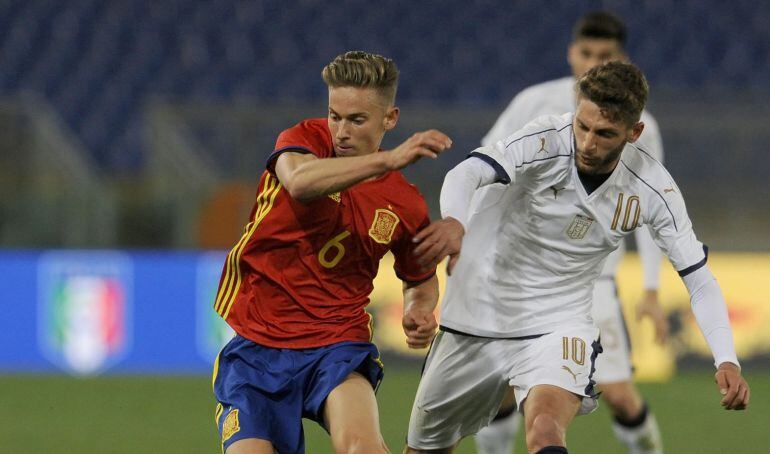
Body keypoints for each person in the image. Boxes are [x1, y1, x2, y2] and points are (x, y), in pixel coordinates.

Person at [405, 61, 749, 454]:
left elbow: (699, 279)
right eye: (582, 126)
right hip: (476, 313)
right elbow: (467, 173)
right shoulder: (544, 140)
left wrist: (727, 359)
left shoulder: (653, 189)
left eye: (605, 134)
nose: (587, 143)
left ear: (634, 133)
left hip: (558, 322)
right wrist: (455, 222)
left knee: (546, 429)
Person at [210, 50, 452, 454]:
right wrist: (387, 160)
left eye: (357, 120)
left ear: (390, 119)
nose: (341, 131)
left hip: (337, 345)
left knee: (362, 448)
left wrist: (420, 309)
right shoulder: (302, 142)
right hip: (257, 347)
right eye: (334, 115)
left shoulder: (404, 203)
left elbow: (420, 277)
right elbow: (301, 183)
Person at [476, 11, 668, 454]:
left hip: (593, 282)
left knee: (619, 394)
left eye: (604, 55)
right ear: (571, 53)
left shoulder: (643, 128)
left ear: (620, 58)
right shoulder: (533, 102)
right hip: (521, 277)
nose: (593, 63)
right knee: (506, 391)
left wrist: (653, 290)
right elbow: (487, 167)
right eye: (586, 53)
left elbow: (655, 210)